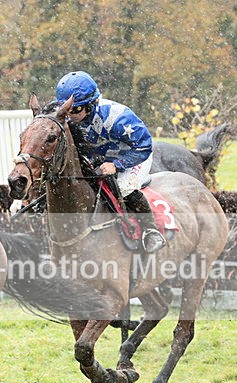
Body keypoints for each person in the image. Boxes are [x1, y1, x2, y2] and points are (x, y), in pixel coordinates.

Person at [54, 71, 165, 253]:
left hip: (133, 155)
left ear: (90, 105)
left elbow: (144, 146)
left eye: (75, 110)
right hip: (101, 158)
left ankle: (150, 230)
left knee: (124, 187)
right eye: (66, 109)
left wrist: (117, 165)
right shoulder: (70, 115)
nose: (70, 115)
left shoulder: (117, 117)